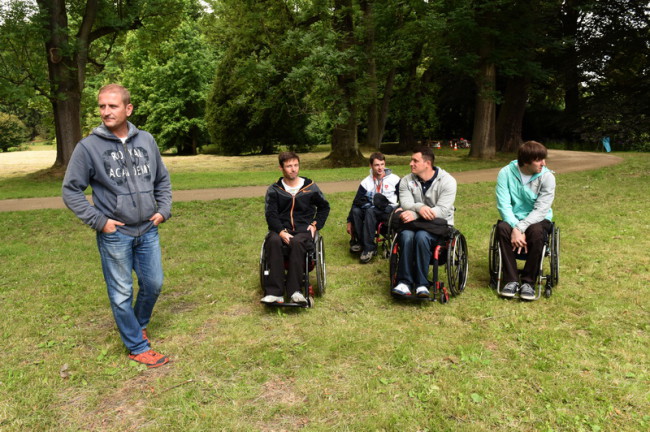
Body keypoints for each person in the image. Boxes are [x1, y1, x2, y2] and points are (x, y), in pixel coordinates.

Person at [62, 84, 172, 368]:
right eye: (102, 106)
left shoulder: (146, 140)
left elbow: (162, 179)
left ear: (128, 109)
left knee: (154, 284)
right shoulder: (88, 147)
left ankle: (139, 324)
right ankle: (137, 345)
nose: (106, 112)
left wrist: (163, 210)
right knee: (121, 292)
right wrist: (99, 221)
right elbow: (71, 190)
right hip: (116, 234)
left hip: (148, 229)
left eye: (112, 106)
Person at [261, 152, 330, 305]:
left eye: (295, 165)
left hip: (302, 230)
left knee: (298, 242)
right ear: (281, 168)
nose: (293, 169)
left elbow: (324, 207)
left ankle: (295, 291)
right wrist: (280, 231)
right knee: (272, 240)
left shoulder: (310, 187)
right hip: (281, 228)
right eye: (289, 166)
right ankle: (274, 293)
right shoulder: (275, 190)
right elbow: (271, 215)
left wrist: (315, 225)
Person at [392, 146, 457, 298]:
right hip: (411, 227)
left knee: (422, 236)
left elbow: (442, 210)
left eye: (415, 160)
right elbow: (406, 203)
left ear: (427, 164)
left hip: (436, 227)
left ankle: (422, 284)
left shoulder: (448, 181)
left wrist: (415, 215)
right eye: (411, 160)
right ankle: (404, 282)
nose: (411, 163)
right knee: (407, 236)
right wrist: (420, 208)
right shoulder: (406, 181)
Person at [495, 140, 555, 301]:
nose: (543, 163)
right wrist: (515, 226)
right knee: (501, 229)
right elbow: (503, 205)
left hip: (538, 219)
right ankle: (511, 280)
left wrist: (519, 228)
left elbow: (541, 209)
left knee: (536, 231)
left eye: (543, 159)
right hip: (512, 217)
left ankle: (528, 282)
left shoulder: (547, 177)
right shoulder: (505, 173)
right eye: (539, 160)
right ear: (526, 162)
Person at [346, 152, 400, 263]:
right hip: (372, 209)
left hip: (388, 210)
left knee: (370, 211)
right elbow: (356, 202)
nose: (380, 168)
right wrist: (349, 221)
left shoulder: (395, 179)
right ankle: (361, 243)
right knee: (356, 211)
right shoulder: (366, 182)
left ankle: (368, 248)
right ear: (371, 166)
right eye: (377, 165)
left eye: (382, 164)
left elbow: (404, 197)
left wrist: (402, 208)